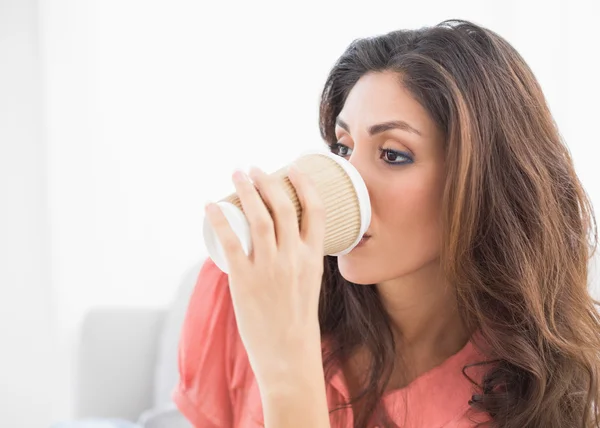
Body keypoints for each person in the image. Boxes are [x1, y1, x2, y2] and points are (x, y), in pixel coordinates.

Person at [172, 19, 600, 428]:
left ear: (480, 183)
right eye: (343, 147)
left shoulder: (529, 390)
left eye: (393, 154)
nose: (348, 177)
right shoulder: (245, 292)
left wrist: (287, 367)